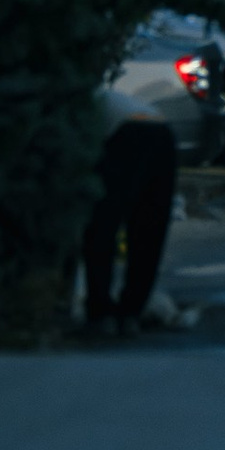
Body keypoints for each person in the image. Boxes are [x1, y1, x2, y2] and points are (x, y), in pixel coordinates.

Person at [80, 113, 178, 335]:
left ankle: (100, 313)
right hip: (163, 131)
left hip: (126, 133)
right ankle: (131, 312)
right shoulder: (109, 98)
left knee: (103, 225)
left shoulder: (80, 103)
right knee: (149, 229)